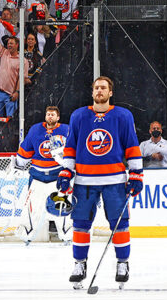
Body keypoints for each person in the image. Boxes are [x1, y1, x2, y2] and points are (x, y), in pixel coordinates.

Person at [57, 76, 143, 288]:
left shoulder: (123, 116)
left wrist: (136, 174)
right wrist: (66, 172)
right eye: (96, 87)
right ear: (92, 91)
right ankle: (79, 264)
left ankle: (122, 263)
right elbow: (70, 148)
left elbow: (132, 146)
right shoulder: (79, 116)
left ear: (110, 92)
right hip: (85, 181)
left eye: (103, 88)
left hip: (114, 180)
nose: (99, 91)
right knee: (80, 224)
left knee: (119, 225)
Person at [12, 105, 71, 243]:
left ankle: (66, 234)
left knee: (61, 206)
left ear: (58, 117)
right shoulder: (35, 129)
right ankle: (27, 233)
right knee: (32, 206)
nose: (50, 116)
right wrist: (19, 165)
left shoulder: (66, 130)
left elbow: (73, 150)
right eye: (48, 114)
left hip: (57, 175)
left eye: (53, 114)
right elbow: (26, 149)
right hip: (37, 175)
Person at [0, 20, 30, 117]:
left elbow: (22, 79)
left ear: (17, 45)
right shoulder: (4, 53)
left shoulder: (23, 60)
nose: (9, 45)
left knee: (10, 120)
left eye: (11, 43)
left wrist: (17, 92)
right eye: (8, 43)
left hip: (10, 94)